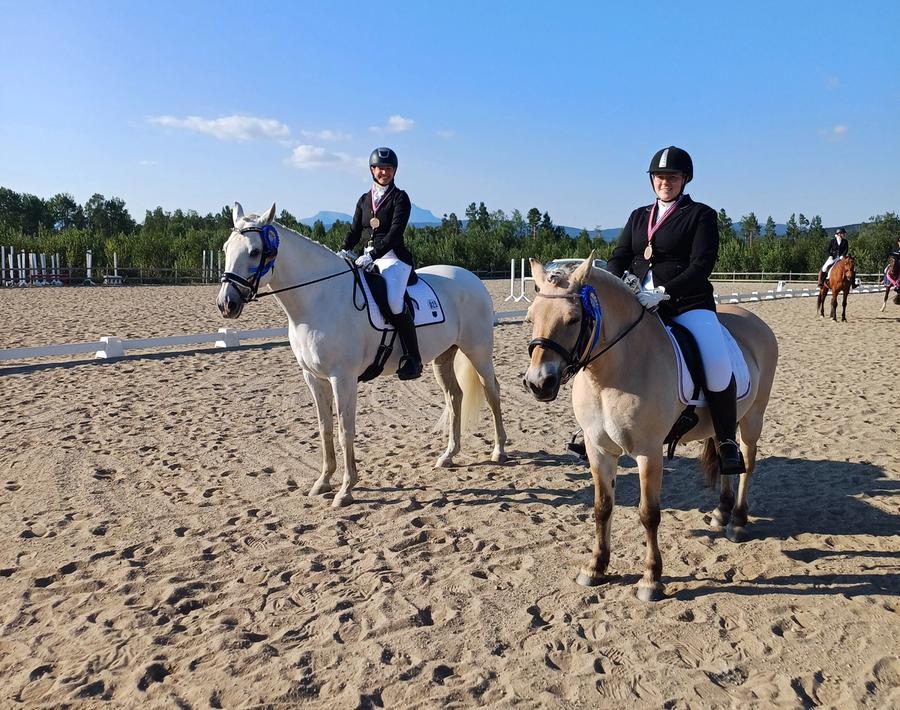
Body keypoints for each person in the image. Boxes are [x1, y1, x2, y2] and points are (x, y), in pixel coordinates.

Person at [606, 146, 745, 475]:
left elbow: (701, 265)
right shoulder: (639, 215)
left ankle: (726, 440)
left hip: (686, 304)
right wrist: (619, 283)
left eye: (672, 177)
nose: (664, 182)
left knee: (715, 360)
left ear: (685, 179)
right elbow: (619, 255)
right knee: (602, 347)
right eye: (659, 176)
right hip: (638, 303)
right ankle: (596, 428)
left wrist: (664, 292)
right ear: (652, 180)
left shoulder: (700, 215)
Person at [337, 147, 422, 380]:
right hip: (367, 259)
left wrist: (373, 254)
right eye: (380, 168)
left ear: (394, 171)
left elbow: (395, 233)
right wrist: (343, 250)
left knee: (394, 303)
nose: (384, 172)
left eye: (388, 168)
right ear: (372, 170)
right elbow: (355, 230)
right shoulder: (364, 200)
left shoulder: (400, 198)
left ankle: (413, 358)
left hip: (393, 259)